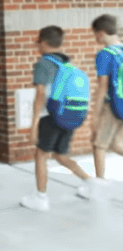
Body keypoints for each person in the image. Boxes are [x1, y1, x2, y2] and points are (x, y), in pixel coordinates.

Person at [19, 26, 92, 212]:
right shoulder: (66, 63)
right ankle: (90, 183)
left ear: (43, 42)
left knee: (41, 155)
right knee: (60, 155)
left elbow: (40, 95)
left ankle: (40, 198)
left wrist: (33, 125)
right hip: (69, 113)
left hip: (50, 116)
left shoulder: (43, 63)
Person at [89, 15, 123, 184]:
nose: (95, 38)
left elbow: (102, 86)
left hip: (112, 105)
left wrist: (95, 114)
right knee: (116, 144)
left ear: (102, 33)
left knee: (99, 145)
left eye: (95, 34)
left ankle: (100, 184)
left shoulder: (104, 54)